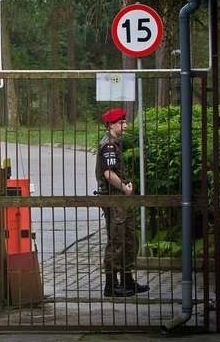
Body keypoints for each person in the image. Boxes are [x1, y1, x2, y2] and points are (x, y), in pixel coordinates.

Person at [95, 108, 149, 297]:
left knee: (128, 237)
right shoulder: (108, 145)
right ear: (111, 125)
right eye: (121, 123)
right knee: (116, 239)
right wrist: (124, 188)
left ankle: (127, 280)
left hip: (121, 198)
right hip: (113, 197)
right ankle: (111, 284)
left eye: (124, 122)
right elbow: (108, 173)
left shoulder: (115, 143)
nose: (125, 126)